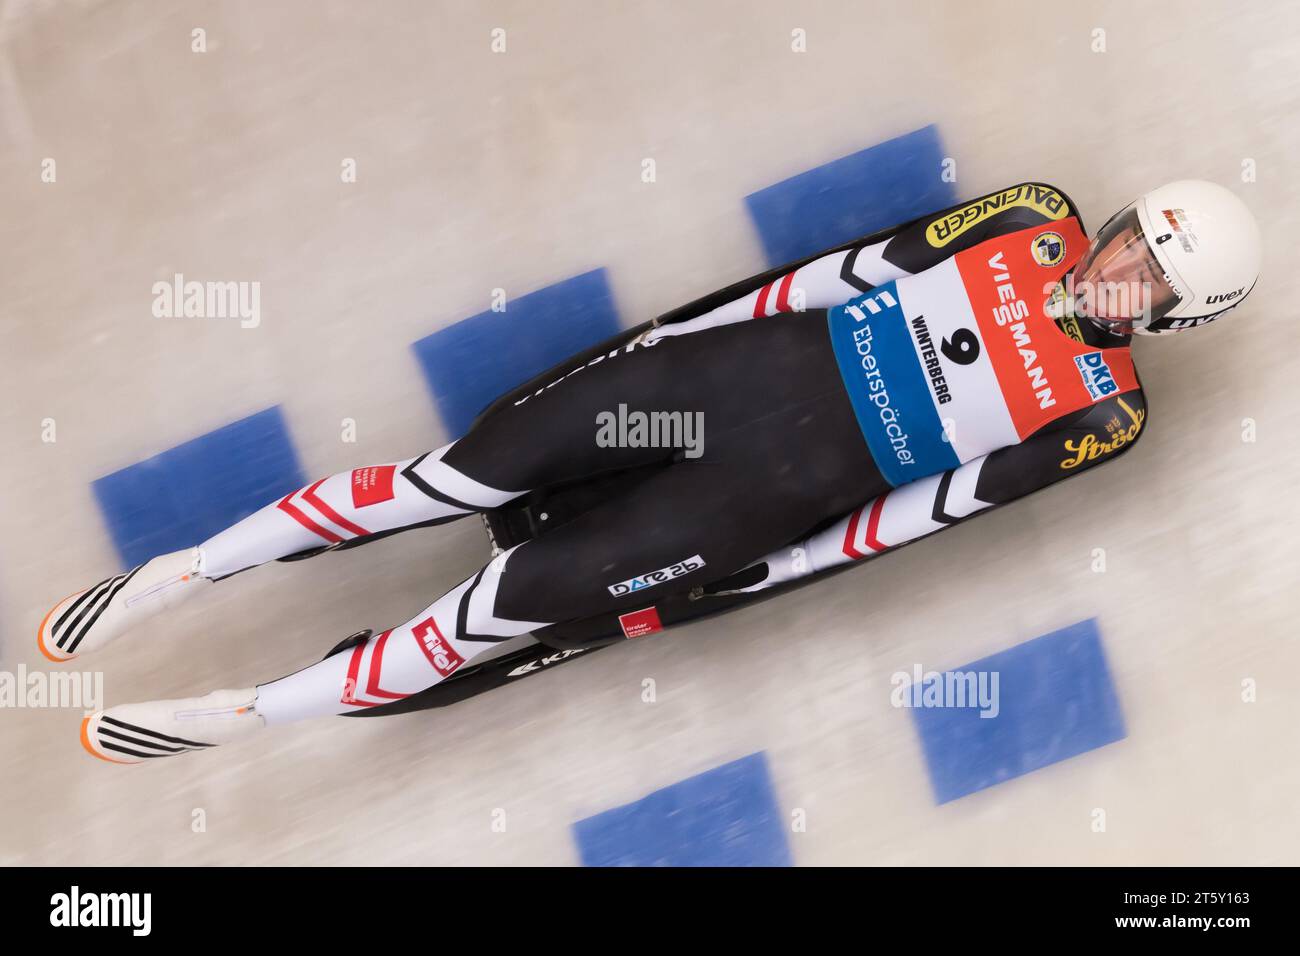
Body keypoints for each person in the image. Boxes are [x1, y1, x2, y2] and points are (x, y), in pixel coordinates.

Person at [40, 179, 1261, 763]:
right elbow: (835, 275)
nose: (1117, 275)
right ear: (1108, 223)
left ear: (1171, 316)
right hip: (697, 395)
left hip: (753, 497)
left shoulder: (1103, 413)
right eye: (1127, 245)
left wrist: (776, 566)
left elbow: (924, 513)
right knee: (444, 482)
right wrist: (672, 345)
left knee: (486, 615)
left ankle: (240, 713)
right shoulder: (1026, 215)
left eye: (1148, 282)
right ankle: (181, 573)